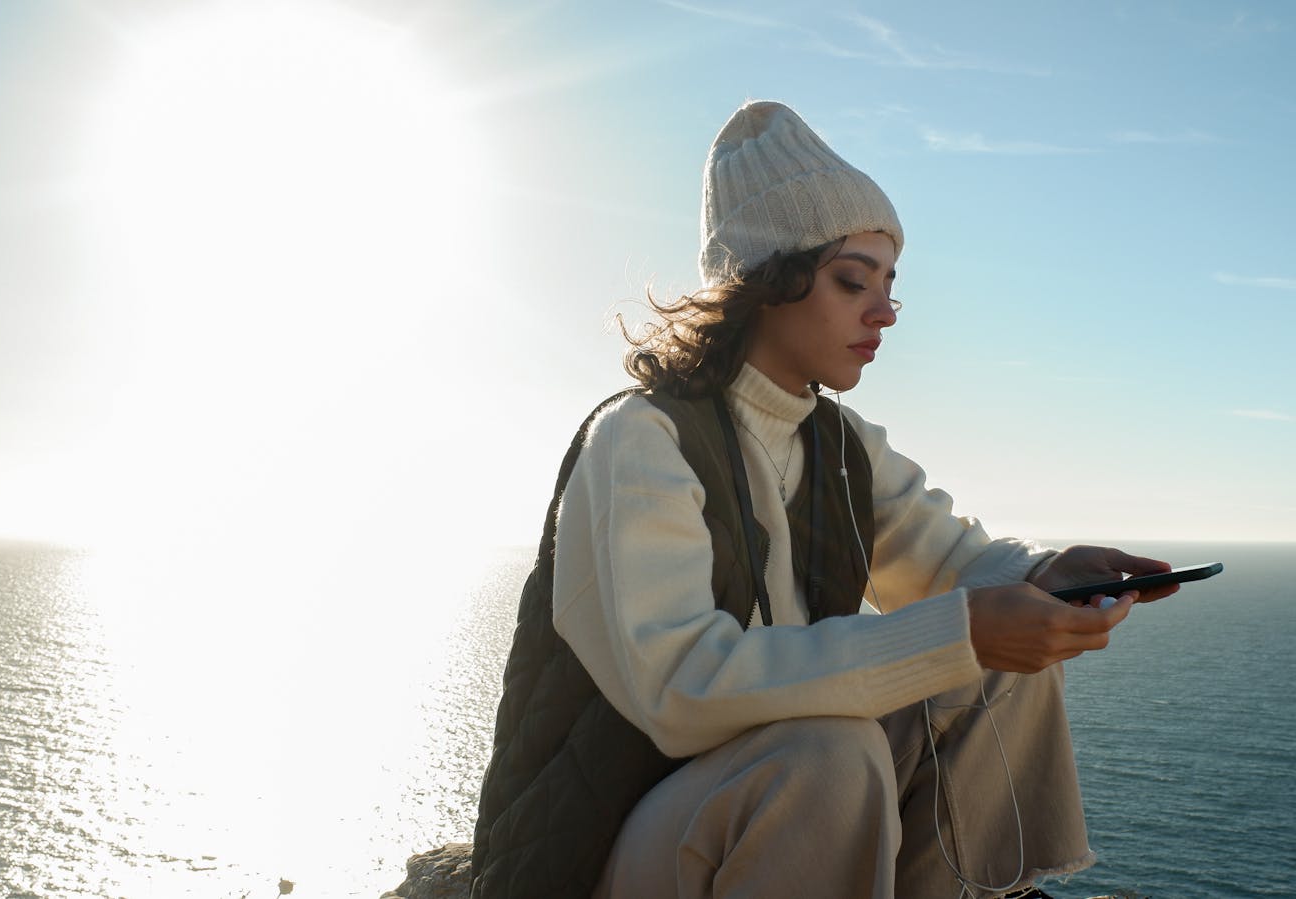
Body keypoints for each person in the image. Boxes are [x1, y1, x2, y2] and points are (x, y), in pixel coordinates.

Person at [467, 100, 1179, 899]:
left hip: (762, 800)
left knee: (1003, 668)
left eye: (889, 285)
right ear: (768, 281)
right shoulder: (642, 438)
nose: (885, 313)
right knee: (831, 752)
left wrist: (1049, 573)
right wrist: (966, 628)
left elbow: (949, 560)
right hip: (611, 843)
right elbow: (681, 687)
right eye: (852, 281)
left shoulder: (839, 444)